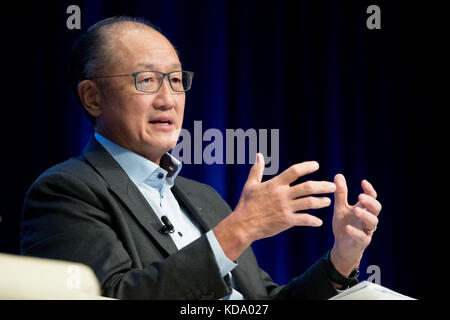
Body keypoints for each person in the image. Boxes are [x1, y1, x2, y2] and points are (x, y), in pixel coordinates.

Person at [20, 16, 381, 299]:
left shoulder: (203, 198)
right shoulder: (65, 191)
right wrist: (240, 229)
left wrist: (341, 259)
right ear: (92, 97)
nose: (168, 99)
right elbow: (111, 297)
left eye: (176, 80)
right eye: (147, 80)